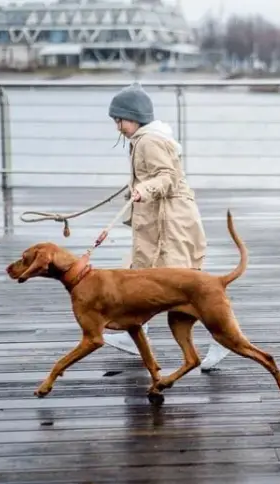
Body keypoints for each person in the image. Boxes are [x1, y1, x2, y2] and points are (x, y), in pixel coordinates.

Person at [102, 82, 230, 371]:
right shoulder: (142, 140)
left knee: (186, 289)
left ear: (134, 117)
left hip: (171, 224)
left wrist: (144, 190)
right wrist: (135, 188)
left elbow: (167, 176)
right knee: (135, 277)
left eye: (119, 120)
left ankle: (221, 338)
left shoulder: (149, 141)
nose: (117, 127)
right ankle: (134, 332)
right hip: (155, 224)